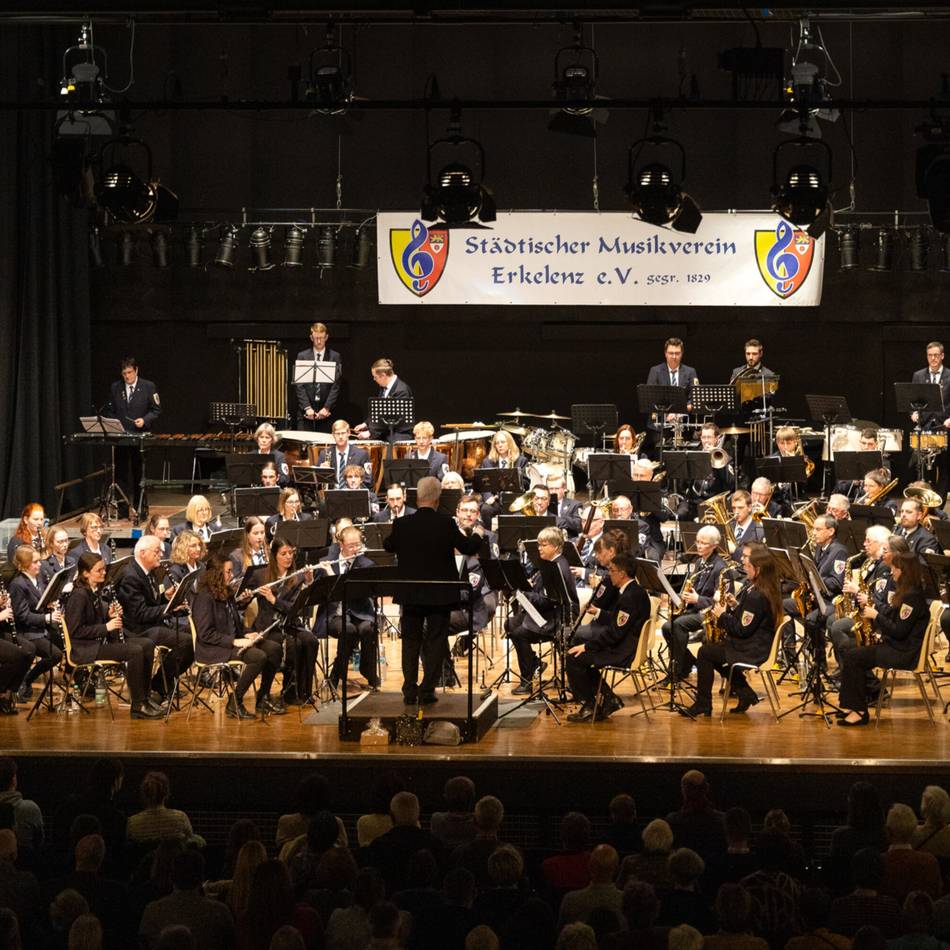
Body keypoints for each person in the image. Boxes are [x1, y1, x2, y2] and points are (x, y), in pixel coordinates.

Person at [383, 476, 482, 705]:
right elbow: (467, 547)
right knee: (435, 641)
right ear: (438, 499)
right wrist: (477, 533)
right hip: (439, 594)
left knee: (410, 642)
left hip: (411, 594)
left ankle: (409, 690)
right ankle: (427, 690)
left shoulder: (402, 523)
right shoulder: (446, 523)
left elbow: (388, 546)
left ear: (416, 498)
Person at [683, 542, 783, 717]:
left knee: (705, 653)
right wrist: (736, 606)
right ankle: (745, 694)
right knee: (714, 651)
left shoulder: (757, 595)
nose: (743, 563)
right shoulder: (761, 587)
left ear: (758, 569)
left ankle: (703, 704)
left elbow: (741, 630)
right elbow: (751, 619)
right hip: (757, 642)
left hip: (753, 649)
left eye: (747, 562)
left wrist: (722, 615)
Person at [63, 553, 163, 719]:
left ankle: (145, 697)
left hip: (95, 644)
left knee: (147, 644)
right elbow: (76, 631)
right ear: (86, 573)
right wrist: (106, 627)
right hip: (84, 649)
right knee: (135, 650)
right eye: (99, 570)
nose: (104, 573)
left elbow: (92, 619)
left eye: (104, 569)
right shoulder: (79, 595)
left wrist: (108, 615)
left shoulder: (92, 590)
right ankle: (138, 705)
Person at [837, 551, 930, 726]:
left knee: (853, 657)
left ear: (903, 570)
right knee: (850, 652)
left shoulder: (912, 597)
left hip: (903, 653)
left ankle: (859, 712)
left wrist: (876, 616)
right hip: (897, 646)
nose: (891, 571)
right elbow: (894, 616)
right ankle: (850, 706)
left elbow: (900, 631)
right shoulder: (906, 591)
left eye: (894, 568)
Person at [192, 553, 282, 720]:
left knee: (274, 649)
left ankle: (263, 697)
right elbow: (205, 634)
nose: (231, 575)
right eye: (228, 572)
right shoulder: (204, 597)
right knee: (258, 657)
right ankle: (235, 701)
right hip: (214, 648)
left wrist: (249, 633)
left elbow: (236, 623)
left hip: (232, 642)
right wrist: (234, 641)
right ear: (216, 574)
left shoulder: (225, 592)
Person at [566, 552, 650, 722]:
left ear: (622, 573)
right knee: (582, 657)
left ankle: (590, 704)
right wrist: (598, 613)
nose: (609, 574)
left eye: (611, 571)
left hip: (622, 651)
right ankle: (609, 699)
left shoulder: (629, 597)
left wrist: (587, 646)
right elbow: (617, 621)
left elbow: (614, 633)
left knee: (573, 657)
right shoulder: (634, 591)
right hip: (624, 644)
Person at [116, 536, 194, 699]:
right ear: (143, 553)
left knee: (194, 636)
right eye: (157, 551)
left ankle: (162, 681)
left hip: (151, 623)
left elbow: (150, 603)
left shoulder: (147, 571)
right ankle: (161, 682)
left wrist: (165, 597)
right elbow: (139, 613)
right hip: (137, 630)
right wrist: (169, 608)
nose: (161, 555)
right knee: (186, 641)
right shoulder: (130, 576)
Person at [506, 525, 579, 695]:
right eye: (539, 544)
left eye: (543, 545)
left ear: (555, 546)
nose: (539, 548)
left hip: (557, 617)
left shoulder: (558, 567)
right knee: (509, 624)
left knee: (519, 632)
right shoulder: (550, 563)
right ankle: (534, 663)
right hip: (546, 612)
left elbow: (549, 601)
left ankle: (527, 679)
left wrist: (525, 595)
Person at [251, 539, 319, 705]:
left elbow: (295, 608)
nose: (288, 557)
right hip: (268, 627)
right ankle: (286, 691)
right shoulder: (260, 575)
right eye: (284, 554)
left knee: (311, 641)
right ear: (274, 556)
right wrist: (245, 596)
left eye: (291, 553)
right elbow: (241, 602)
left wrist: (309, 582)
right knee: (291, 644)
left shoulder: (297, 577)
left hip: (289, 623)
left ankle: (304, 691)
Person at [660, 525, 729, 684]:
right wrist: (683, 596)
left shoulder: (720, 567)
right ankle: (687, 663)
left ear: (714, 545)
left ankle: (676, 671)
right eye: (697, 541)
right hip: (696, 609)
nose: (698, 545)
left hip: (710, 614)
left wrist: (698, 599)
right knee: (666, 627)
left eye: (703, 543)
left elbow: (721, 600)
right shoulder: (699, 562)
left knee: (678, 625)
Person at [105, 356, 161, 518]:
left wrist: (144, 420)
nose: (127, 377)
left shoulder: (148, 386)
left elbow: (156, 410)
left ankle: (140, 508)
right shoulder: (116, 387)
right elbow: (110, 410)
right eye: (124, 374)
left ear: (136, 370)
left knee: (138, 474)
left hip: (139, 438)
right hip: (121, 438)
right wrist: (114, 424)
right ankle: (123, 509)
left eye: (129, 372)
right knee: (121, 474)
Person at [8, 545, 64, 704]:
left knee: (66, 645)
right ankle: (27, 678)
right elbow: (23, 616)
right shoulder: (18, 584)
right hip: (28, 632)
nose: (39, 564)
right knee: (55, 655)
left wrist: (50, 605)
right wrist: (47, 618)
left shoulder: (38, 578)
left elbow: (41, 601)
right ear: (24, 564)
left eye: (39, 560)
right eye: (35, 562)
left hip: (42, 628)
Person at [911, 341, 950, 496]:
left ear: (942, 356)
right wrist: (912, 413)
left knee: (945, 466)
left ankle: (938, 505)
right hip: (925, 426)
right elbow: (912, 399)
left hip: (945, 425)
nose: (933, 358)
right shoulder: (918, 375)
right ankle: (926, 499)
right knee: (924, 466)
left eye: (936, 355)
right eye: (930, 355)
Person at [294, 321, 342, 432]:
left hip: (326, 411)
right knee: (305, 446)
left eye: (321, 338)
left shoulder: (335, 356)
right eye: (316, 338)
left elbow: (336, 385)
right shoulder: (302, 356)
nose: (319, 341)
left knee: (325, 447)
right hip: (306, 411)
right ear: (311, 337)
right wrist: (307, 407)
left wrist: (327, 407)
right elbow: (299, 385)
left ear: (327, 337)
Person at [353, 358, 413, 441]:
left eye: (375, 377)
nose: (374, 379)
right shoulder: (384, 388)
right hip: (386, 432)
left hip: (398, 435)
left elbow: (392, 419)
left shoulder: (402, 391)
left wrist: (370, 432)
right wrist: (366, 424)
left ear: (383, 376)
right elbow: (380, 412)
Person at [318, 420, 372, 490]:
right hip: (332, 495)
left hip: (354, 495)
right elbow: (318, 483)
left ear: (349, 433)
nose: (340, 436)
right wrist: (321, 473)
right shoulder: (324, 454)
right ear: (333, 435)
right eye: (337, 434)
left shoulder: (362, 454)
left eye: (343, 433)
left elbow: (368, 480)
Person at [229, 517, 269, 583]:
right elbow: (232, 584)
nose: (260, 537)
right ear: (247, 535)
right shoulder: (236, 556)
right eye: (256, 533)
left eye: (262, 532)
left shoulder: (269, 552)